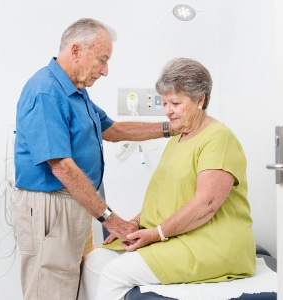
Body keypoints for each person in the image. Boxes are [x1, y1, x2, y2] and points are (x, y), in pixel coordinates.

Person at [12, 18, 173, 300]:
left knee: (76, 287)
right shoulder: (45, 91)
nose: (105, 71)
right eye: (101, 60)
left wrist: (169, 128)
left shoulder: (76, 92)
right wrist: (112, 221)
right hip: (52, 205)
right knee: (51, 292)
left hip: (76, 203)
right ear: (76, 51)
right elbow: (62, 166)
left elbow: (112, 129)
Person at [78, 57, 256, 300]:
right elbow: (169, 196)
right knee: (94, 261)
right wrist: (134, 224)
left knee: (114, 273)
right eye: (164, 102)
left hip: (211, 243)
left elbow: (206, 204)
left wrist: (155, 234)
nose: (168, 110)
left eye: (175, 103)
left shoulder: (218, 137)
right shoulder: (178, 138)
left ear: (200, 100)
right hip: (176, 234)